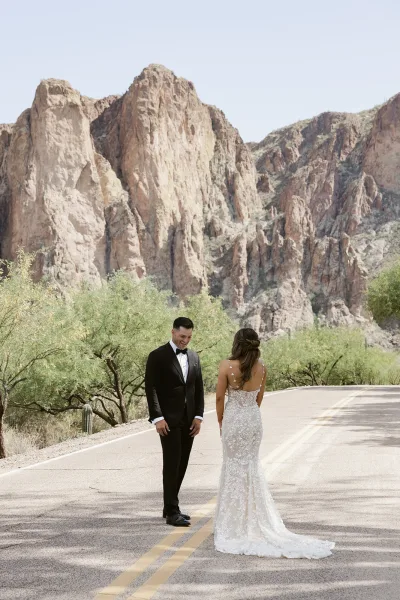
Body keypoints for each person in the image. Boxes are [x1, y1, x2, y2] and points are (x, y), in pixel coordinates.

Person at [214, 328, 334, 558]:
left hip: (234, 420)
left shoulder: (226, 366)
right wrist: (248, 414)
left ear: (237, 344)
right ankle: (254, 520)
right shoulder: (262, 369)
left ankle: (232, 523)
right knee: (251, 466)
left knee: (232, 467)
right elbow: (258, 399)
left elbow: (219, 397)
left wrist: (222, 421)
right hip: (252, 420)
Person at [145, 317, 204, 527]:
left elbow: (198, 389)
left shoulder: (194, 357)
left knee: (182, 464)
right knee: (171, 464)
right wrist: (157, 418)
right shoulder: (157, 356)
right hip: (168, 421)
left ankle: (170, 506)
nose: (185, 341)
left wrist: (199, 416)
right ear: (172, 332)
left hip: (189, 421)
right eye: (181, 336)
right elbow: (150, 388)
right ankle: (172, 512)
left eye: (188, 337)